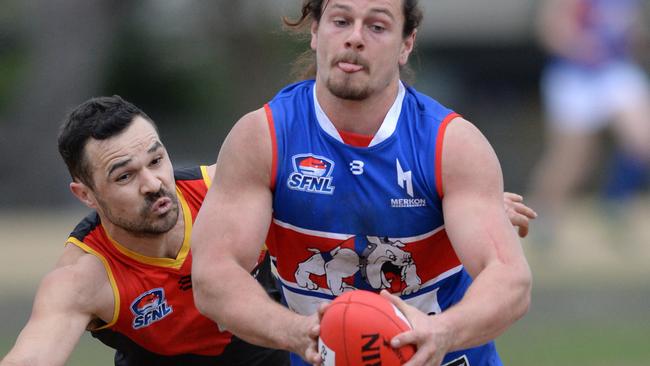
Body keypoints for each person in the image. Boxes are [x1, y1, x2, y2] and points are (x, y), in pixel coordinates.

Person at [190, 1, 533, 365]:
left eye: (377, 26)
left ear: (406, 44)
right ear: (315, 31)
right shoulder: (263, 139)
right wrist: (295, 331)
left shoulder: (451, 145)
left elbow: (510, 279)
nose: (355, 38)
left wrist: (443, 331)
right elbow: (214, 275)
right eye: (340, 21)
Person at [0, 96, 289, 366]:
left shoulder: (229, 195)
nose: (153, 184)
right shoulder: (83, 276)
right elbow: (31, 357)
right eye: (124, 176)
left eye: (156, 161)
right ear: (85, 195)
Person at [529, 0, 650, 242]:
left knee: (643, 142)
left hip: (615, 70)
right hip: (575, 74)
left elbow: (633, 31)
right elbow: (548, 27)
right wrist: (579, 45)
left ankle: (615, 200)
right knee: (572, 161)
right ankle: (541, 216)